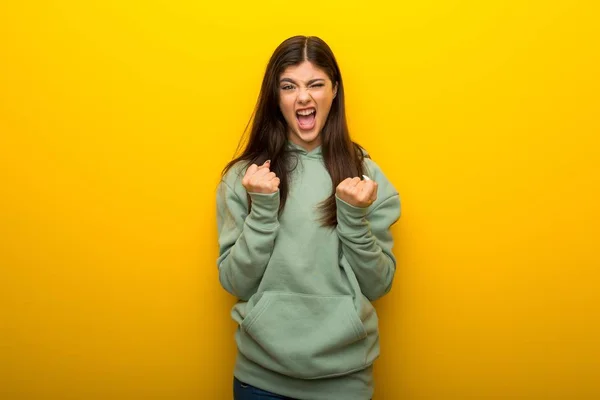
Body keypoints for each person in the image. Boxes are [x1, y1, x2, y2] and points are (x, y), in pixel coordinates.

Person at [216, 35, 401, 400]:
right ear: (276, 97)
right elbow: (235, 282)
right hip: (260, 381)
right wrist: (262, 211)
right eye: (289, 86)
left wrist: (352, 216)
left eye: (315, 84)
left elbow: (378, 285)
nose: (304, 97)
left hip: (344, 381)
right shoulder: (244, 178)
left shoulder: (368, 178)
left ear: (334, 92)